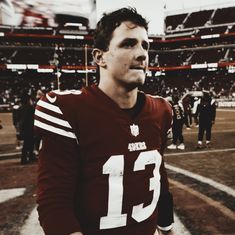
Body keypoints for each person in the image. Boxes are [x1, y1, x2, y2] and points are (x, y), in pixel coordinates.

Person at [34, 7, 174, 235]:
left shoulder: (162, 110)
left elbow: (160, 176)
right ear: (100, 57)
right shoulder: (68, 109)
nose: (141, 54)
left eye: (145, 45)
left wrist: (166, 228)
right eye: (128, 44)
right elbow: (54, 204)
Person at [19, 93, 35, 164]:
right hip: (30, 128)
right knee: (30, 143)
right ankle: (29, 157)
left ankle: (25, 158)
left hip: (23, 128)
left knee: (26, 144)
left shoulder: (21, 108)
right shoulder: (30, 107)